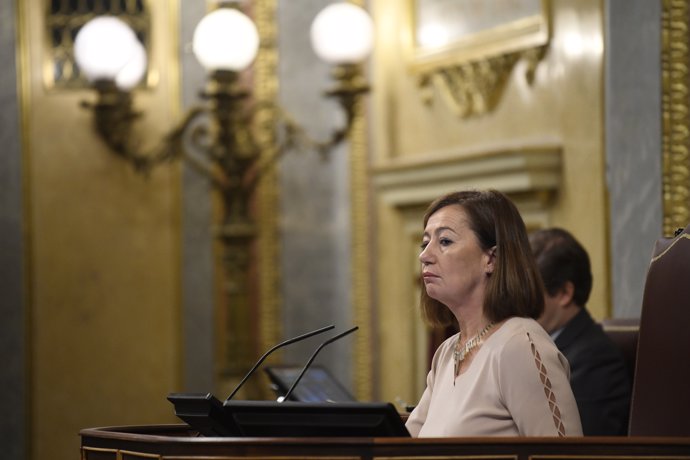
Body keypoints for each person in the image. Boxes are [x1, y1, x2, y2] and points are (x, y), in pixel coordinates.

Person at [406, 190, 582, 437]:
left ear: (491, 259)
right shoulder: (447, 353)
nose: (424, 256)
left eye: (444, 241)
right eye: (425, 243)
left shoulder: (520, 345)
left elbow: (564, 457)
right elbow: (402, 446)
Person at [530, 228, 631, 436]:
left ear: (565, 293)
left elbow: (579, 448)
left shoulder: (597, 360)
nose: (517, 304)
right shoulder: (530, 342)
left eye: (529, 293)